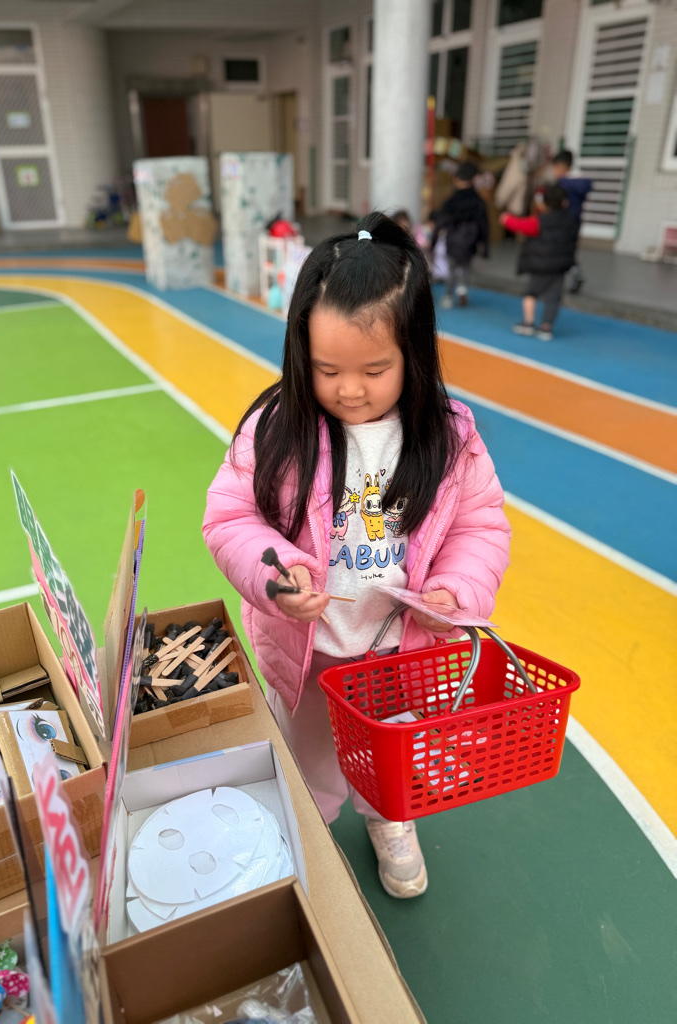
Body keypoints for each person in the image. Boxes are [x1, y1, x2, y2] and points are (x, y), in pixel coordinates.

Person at [203, 212, 511, 899]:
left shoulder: (449, 437)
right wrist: (275, 575)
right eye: (327, 369)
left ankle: (389, 817)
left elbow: (480, 527)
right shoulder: (276, 428)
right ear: (299, 353)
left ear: (414, 354)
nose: (350, 388)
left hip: (399, 654)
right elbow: (230, 516)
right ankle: (307, 830)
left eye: (375, 369)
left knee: (391, 755)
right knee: (307, 761)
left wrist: (455, 592)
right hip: (309, 653)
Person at [500, 183, 578, 341]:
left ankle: (528, 324)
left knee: (531, 293)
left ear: (543, 202)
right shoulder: (571, 221)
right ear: (564, 202)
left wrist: (506, 218)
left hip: (540, 265)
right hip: (560, 266)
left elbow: (519, 225)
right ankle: (546, 327)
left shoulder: (540, 221)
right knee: (554, 297)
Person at [431, 161, 489, 309]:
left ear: (457, 179)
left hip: (453, 239)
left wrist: (433, 241)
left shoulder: (451, 201)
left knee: (451, 267)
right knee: (465, 266)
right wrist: (484, 245)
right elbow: (483, 224)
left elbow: (441, 221)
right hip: (470, 239)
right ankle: (462, 288)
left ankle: (448, 296)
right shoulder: (478, 201)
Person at [549, 149, 592, 293]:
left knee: (562, 251)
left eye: (555, 168)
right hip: (574, 221)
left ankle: (566, 277)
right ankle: (575, 275)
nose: (554, 172)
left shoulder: (564, 183)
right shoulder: (579, 182)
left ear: (561, 166)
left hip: (566, 222)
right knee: (567, 251)